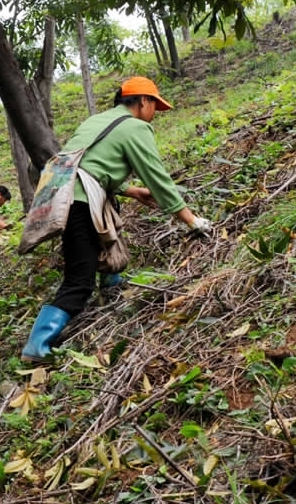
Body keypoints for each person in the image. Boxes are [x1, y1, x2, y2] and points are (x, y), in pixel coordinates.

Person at [22, 76, 213, 361]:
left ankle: (112, 287)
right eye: (155, 106)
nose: (155, 114)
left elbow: (90, 165)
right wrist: (192, 220)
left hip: (67, 197)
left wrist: (131, 191)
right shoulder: (135, 127)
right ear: (144, 101)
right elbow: (157, 179)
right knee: (79, 280)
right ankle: (37, 346)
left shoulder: (96, 121)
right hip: (81, 203)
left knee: (99, 242)